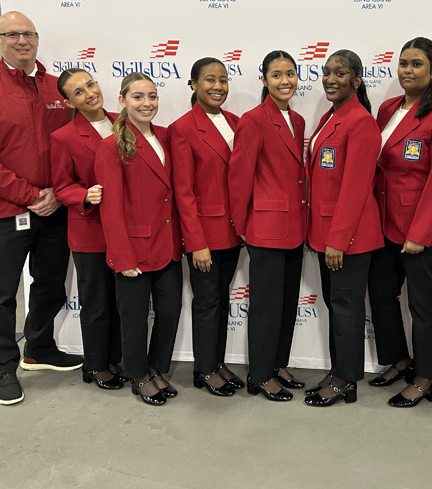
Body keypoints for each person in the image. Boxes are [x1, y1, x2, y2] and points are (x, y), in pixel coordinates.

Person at [0, 11, 83, 406]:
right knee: (1, 294)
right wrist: (30, 195)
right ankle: (2, 367)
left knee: (50, 284)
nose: (21, 40)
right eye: (12, 34)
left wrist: (58, 193)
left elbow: (77, 141)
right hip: (5, 211)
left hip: (56, 210)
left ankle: (39, 348)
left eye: (27, 33)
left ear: (37, 39)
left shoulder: (57, 90)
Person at [367, 37, 432, 407]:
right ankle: (400, 360)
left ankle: (426, 378)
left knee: (423, 306)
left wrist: (420, 233)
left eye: (417, 64)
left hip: (421, 231)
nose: (408, 70)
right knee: (381, 296)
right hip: (383, 224)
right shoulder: (389, 107)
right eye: (403, 63)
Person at [94, 72, 182, 406]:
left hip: (168, 244)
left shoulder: (165, 137)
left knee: (170, 310)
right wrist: (122, 256)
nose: (147, 103)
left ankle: (156, 367)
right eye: (138, 97)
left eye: (152, 96)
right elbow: (111, 209)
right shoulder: (111, 147)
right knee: (132, 317)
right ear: (122, 101)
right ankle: (137, 373)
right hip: (134, 248)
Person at [303, 50, 383, 407]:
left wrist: (338, 241)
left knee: (347, 308)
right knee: (338, 306)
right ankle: (339, 371)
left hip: (348, 238)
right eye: (326, 72)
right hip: (326, 233)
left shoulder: (361, 122)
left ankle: (346, 380)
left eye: (341, 73)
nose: (331, 79)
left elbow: (355, 188)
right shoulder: (331, 116)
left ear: (357, 79)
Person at [228, 50, 307, 402]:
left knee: (288, 301)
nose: (285, 81)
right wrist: (241, 224)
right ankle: (259, 375)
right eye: (276, 74)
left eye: (290, 73)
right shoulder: (254, 119)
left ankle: (278, 363)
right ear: (263, 79)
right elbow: (240, 175)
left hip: (295, 227)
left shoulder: (299, 120)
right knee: (265, 305)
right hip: (265, 228)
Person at [169, 58, 243, 397]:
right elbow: (183, 192)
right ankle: (203, 369)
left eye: (223, 80)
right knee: (207, 302)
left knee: (222, 300)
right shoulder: (182, 129)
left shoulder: (235, 122)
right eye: (209, 80)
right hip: (205, 237)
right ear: (193, 85)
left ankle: (217, 361)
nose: (218, 86)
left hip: (232, 232)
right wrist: (196, 243)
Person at [50, 69, 124, 391]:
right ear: (69, 101)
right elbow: (61, 186)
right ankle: (95, 366)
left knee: (122, 301)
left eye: (90, 85)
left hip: (125, 231)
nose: (89, 93)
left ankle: (116, 358)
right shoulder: (64, 137)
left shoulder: (123, 122)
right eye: (78, 92)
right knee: (96, 303)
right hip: (91, 232)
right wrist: (84, 195)